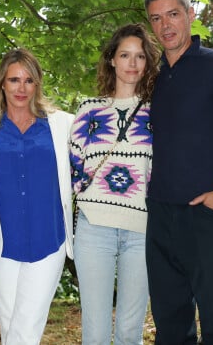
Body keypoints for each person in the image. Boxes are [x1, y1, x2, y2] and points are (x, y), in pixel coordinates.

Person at [144, 0, 213, 343]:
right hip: (160, 214)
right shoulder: (156, 78)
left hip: (207, 213)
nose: (165, 25)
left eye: (173, 14)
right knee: (170, 324)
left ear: (190, 15)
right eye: (156, 19)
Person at [69, 24, 160, 344]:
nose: (132, 64)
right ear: (111, 60)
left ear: (148, 63)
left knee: (129, 330)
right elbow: (73, 168)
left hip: (142, 230)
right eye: (125, 55)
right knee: (94, 329)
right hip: (95, 229)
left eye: (140, 56)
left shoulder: (158, 112)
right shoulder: (88, 110)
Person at [0, 48, 75, 344]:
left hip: (48, 238)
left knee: (25, 326)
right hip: (2, 243)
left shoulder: (64, 125)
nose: (21, 88)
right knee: (10, 324)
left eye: (28, 80)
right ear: (2, 84)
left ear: (37, 84)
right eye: (13, 80)